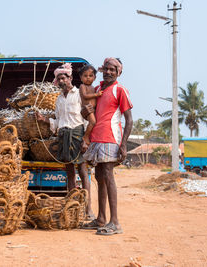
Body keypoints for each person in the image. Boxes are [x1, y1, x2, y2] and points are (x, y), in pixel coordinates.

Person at [36, 63, 94, 220]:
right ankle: (70, 206)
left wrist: (85, 139)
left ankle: (88, 209)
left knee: (82, 171)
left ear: (70, 78)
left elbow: (88, 119)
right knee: (69, 172)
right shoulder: (58, 100)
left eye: (64, 77)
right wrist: (44, 120)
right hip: (63, 135)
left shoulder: (79, 94)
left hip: (77, 134)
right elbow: (58, 121)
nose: (62, 80)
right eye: (59, 78)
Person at [82, 57, 133, 235]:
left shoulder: (120, 90)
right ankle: (101, 218)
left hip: (111, 138)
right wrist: (85, 112)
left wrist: (124, 144)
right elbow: (87, 113)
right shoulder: (97, 89)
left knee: (108, 176)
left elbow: (129, 119)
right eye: (107, 69)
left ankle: (115, 222)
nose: (110, 72)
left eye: (113, 69)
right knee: (99, 176)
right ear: (102, 70)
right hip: (96, 138)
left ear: (119, 72)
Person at [78, 65, 102, 148]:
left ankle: (89, 136)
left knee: (95, 123)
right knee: (93, 122)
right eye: (85, 76)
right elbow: (85, 96)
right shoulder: (82, 86)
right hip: (87, 109)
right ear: (81, 78)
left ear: (95, 78)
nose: (88, 78)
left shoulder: (93, 87)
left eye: (90, 76)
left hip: (93, 109)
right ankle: (86, 136)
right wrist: (96, 94)